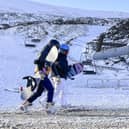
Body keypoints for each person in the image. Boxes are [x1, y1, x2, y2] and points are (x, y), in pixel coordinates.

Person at [20, 39, 60, 112]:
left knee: (39, 92)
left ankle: (24, 105)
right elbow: (39, 62)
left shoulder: (50, 54)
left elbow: (52, 65)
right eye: (56, 48)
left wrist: (57, 75)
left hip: (43, 74)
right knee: (51, 89)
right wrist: (41, 72)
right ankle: (49, 107)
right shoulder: (44, 52)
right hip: (42, 74)